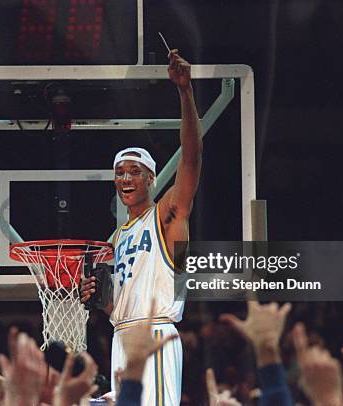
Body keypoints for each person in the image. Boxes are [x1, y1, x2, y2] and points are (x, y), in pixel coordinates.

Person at [81, 49, 202, 405]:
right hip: (121, 336)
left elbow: (192, 158)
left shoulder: (167, 214)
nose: (125, 178)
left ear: (150, 178)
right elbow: (118, 305)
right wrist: (97, 297)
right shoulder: (117, 238)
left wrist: (184, 92)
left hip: (156, 332)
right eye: (120, 173)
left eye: (134, 171)